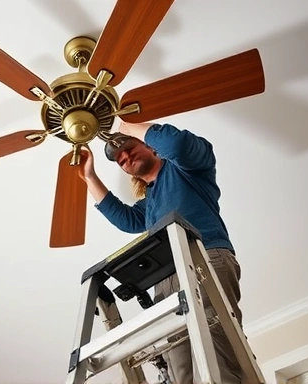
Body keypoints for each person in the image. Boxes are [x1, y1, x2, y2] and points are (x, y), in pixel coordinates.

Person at [78, 121, 243, 384]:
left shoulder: (188, 171)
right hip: (166, 278)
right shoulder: (150, 204)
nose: (125, 157)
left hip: (203, 258)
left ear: (151, 146)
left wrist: (126, 126)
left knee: (218, 349)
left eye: (129, 149)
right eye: (120, 160)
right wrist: (89, 176)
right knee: (179, 366)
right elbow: (126, 220)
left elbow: (177, 144)